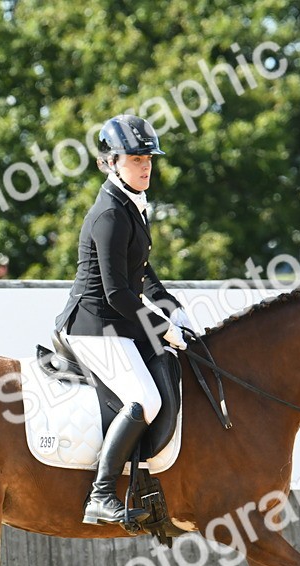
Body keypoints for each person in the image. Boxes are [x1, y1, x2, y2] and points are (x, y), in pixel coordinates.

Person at [53, 115, 194, 526]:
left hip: (118, 320)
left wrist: (171, 307)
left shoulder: (132, 205)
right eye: (135, 158)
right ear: (110, 162)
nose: (145, 166)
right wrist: (162, 327)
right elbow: (116, 292)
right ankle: (100, 495)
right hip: (92, 323)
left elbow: (141, 272)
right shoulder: (110, 215)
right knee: (146, 400)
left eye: (148, 158)